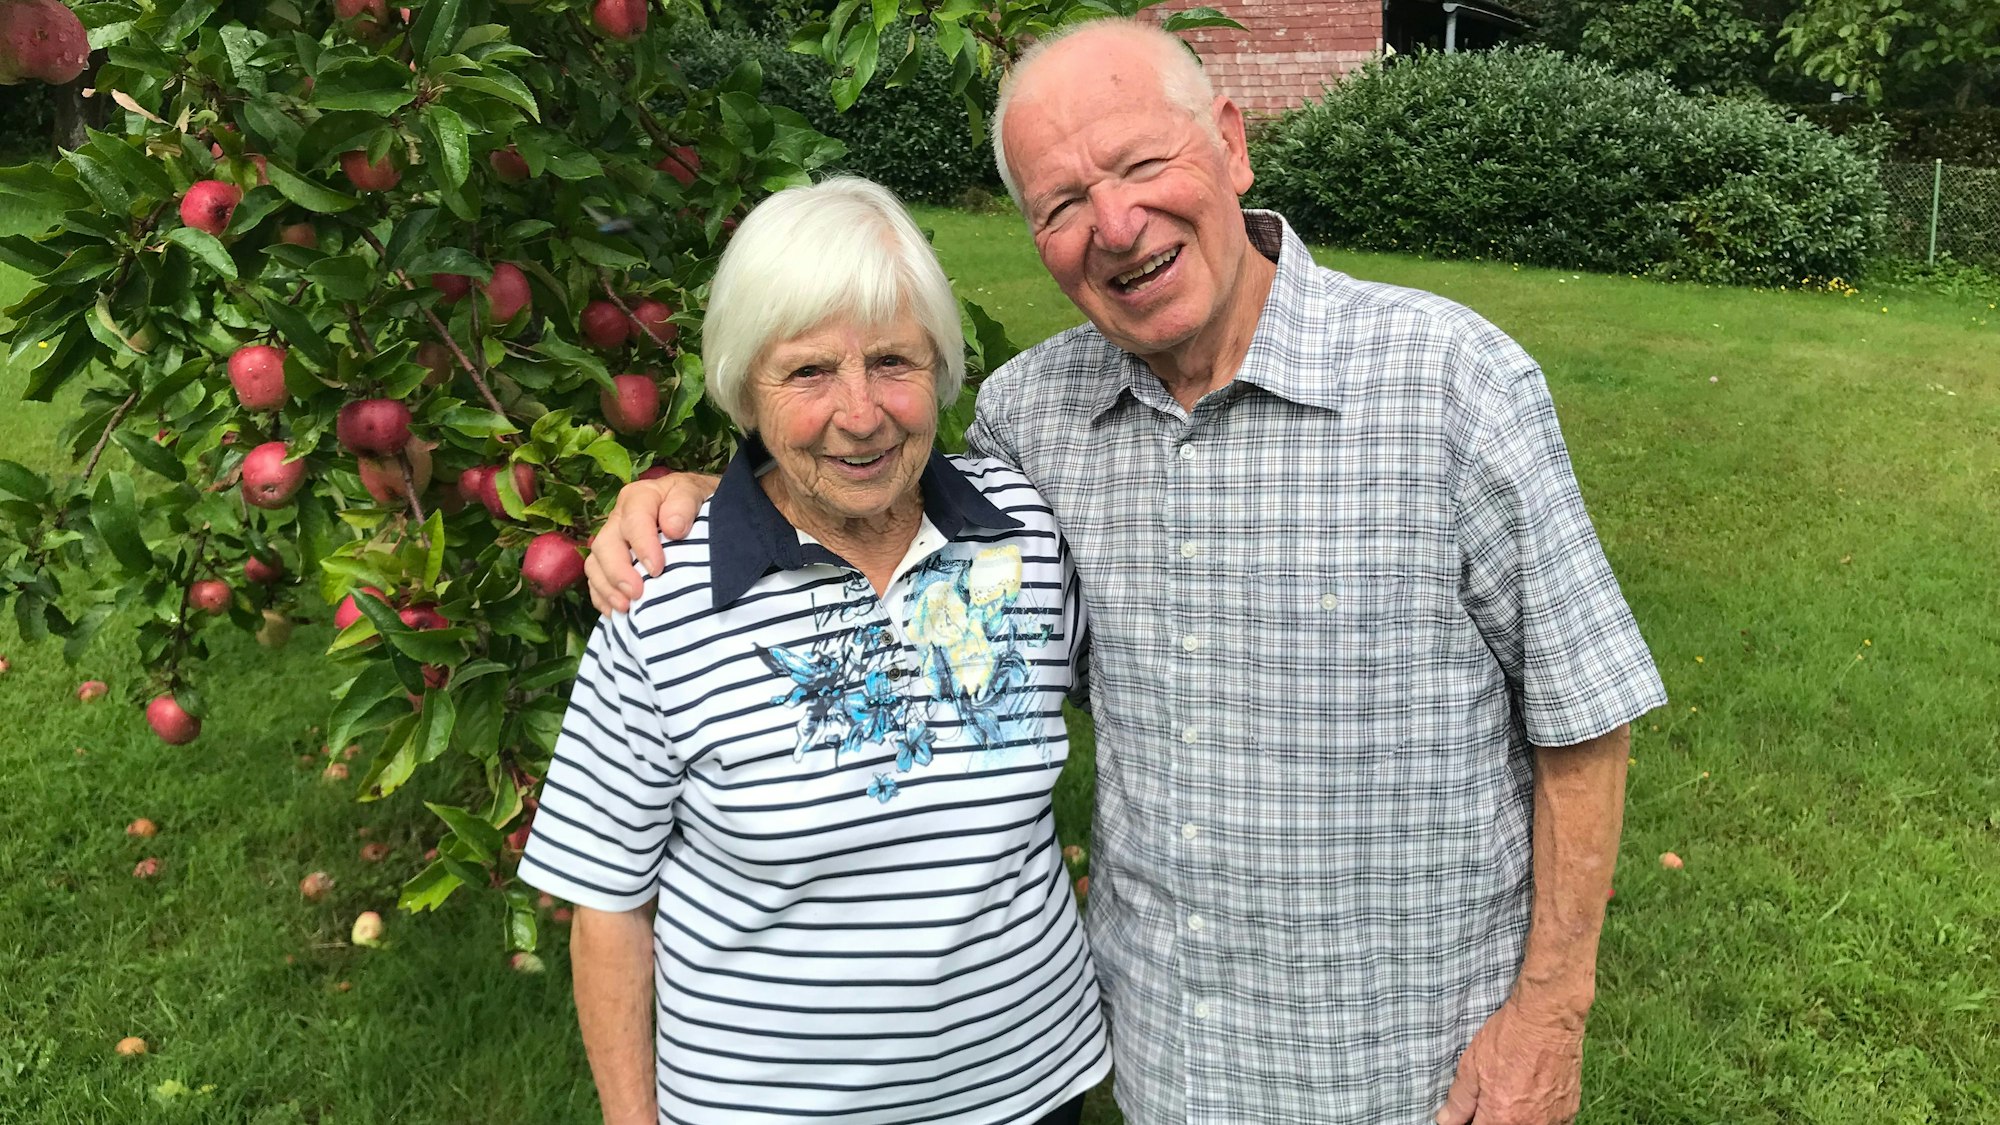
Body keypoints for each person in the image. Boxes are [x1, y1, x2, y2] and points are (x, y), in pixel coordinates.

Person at [585, 20, 1667, 1125]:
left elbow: (1582, 716)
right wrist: (709, 501)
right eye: (1060, 205)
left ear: (1232, 145)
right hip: (1163, 1068)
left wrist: (1548, 1015)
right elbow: (884, 528)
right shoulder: (1027, 426)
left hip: (1407, 1066)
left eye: (1143, 164)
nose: (1114, 225)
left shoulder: (1452, 384)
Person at [520, 176, 1109, 1125]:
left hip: (1029, 1094)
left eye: (892, 361)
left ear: (941, 366)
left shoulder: (1022, 537)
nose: (862, 412)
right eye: (807, 374)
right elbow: (608, 904)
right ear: (745, 387)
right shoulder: (661, 594)